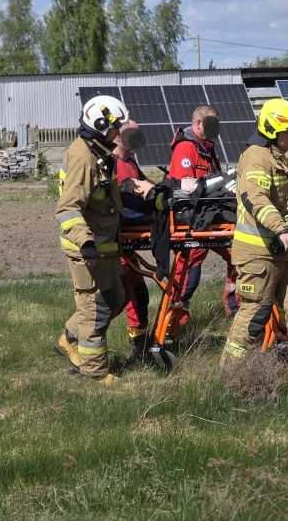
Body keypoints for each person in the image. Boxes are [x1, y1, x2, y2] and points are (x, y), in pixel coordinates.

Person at [221, 98, 288, 372]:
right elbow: (255, 198)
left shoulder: (285, 154)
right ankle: (230, 373)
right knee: (256, 314)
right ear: (272, 132)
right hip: (260, 254)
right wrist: (281, 230)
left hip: (287, 253)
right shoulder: (257, 157)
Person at [54, 95, 130, 383]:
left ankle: (68, 339)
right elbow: (68, 208)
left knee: (116, 298)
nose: (119, 133)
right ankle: (96, 375)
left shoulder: (97, 151)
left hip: (104, 246)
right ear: (100, 125)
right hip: (88, 249)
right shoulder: (84, 158)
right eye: (115, 127)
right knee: (95, 309)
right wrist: (86, 244)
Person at [168, 103, 239, 324]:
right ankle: (174, 321)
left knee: (240, 254)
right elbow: (185, 188)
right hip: (192, 220)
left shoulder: (207, 149)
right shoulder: (186, 148)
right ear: (198, 123)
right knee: (189, 268)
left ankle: (235, 305)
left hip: (211, 217)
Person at [113, 122, 161, 361]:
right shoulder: (111, 164)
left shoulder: (129, 162)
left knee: (140, 295)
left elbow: (145, 184)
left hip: (127, 244)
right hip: (119, 241)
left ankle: (140, 348)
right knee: (124, 297)